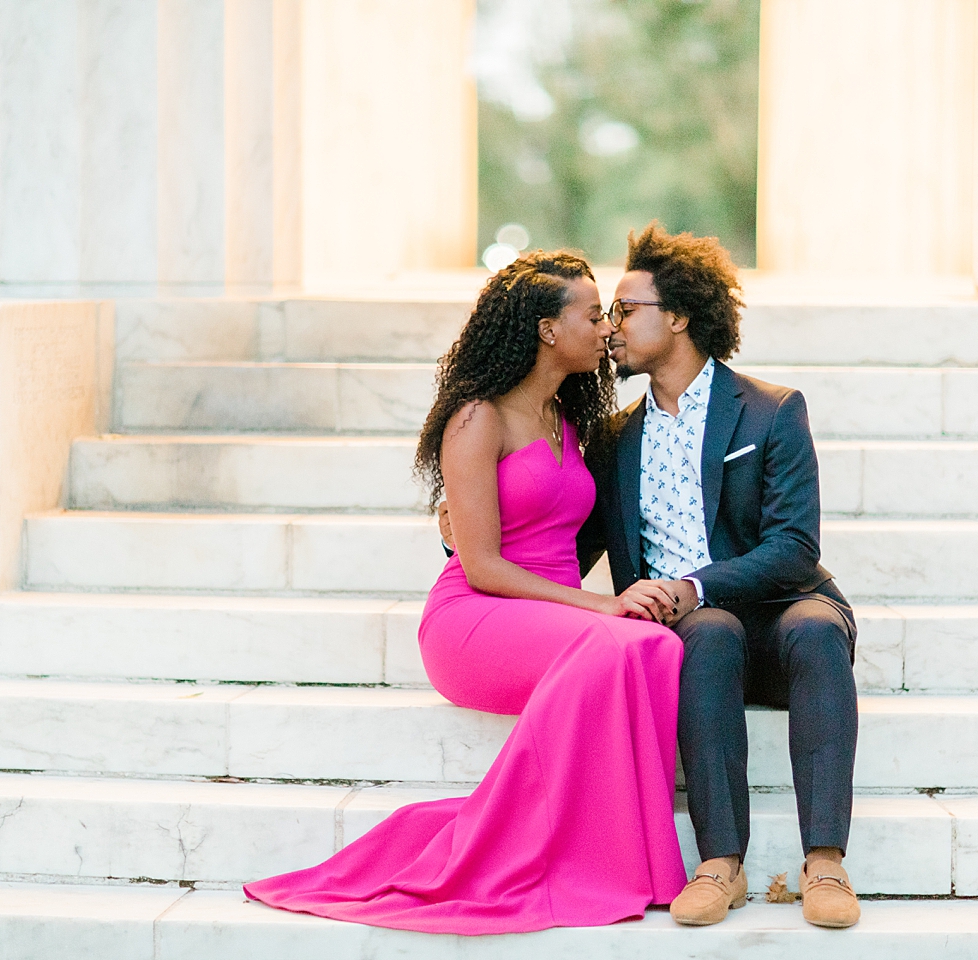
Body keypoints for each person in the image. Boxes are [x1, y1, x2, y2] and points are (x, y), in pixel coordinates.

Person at [244, 250, 690, 934]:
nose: (606, 328)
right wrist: (604, 603)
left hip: (546, 616)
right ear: (547, 329)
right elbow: (480, 564)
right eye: (593, 314)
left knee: (652, 648)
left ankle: (630, 859)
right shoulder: (477, 418)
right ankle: (549, 852)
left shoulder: (571, 424)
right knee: (615, 642)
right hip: (475, 620)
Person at [441, 222, 862, 929]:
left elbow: (794, 543)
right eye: (605, 313)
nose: (610, 329)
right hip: (697, 633)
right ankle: (719, 863)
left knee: (816, 632)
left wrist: (695, 584)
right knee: (709, 636)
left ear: (679, 318)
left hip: (782, 602)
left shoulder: (771, 409)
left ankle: (826, 861)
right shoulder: (612, 438)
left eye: (627, 310)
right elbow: (562, 553)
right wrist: (466, 540)